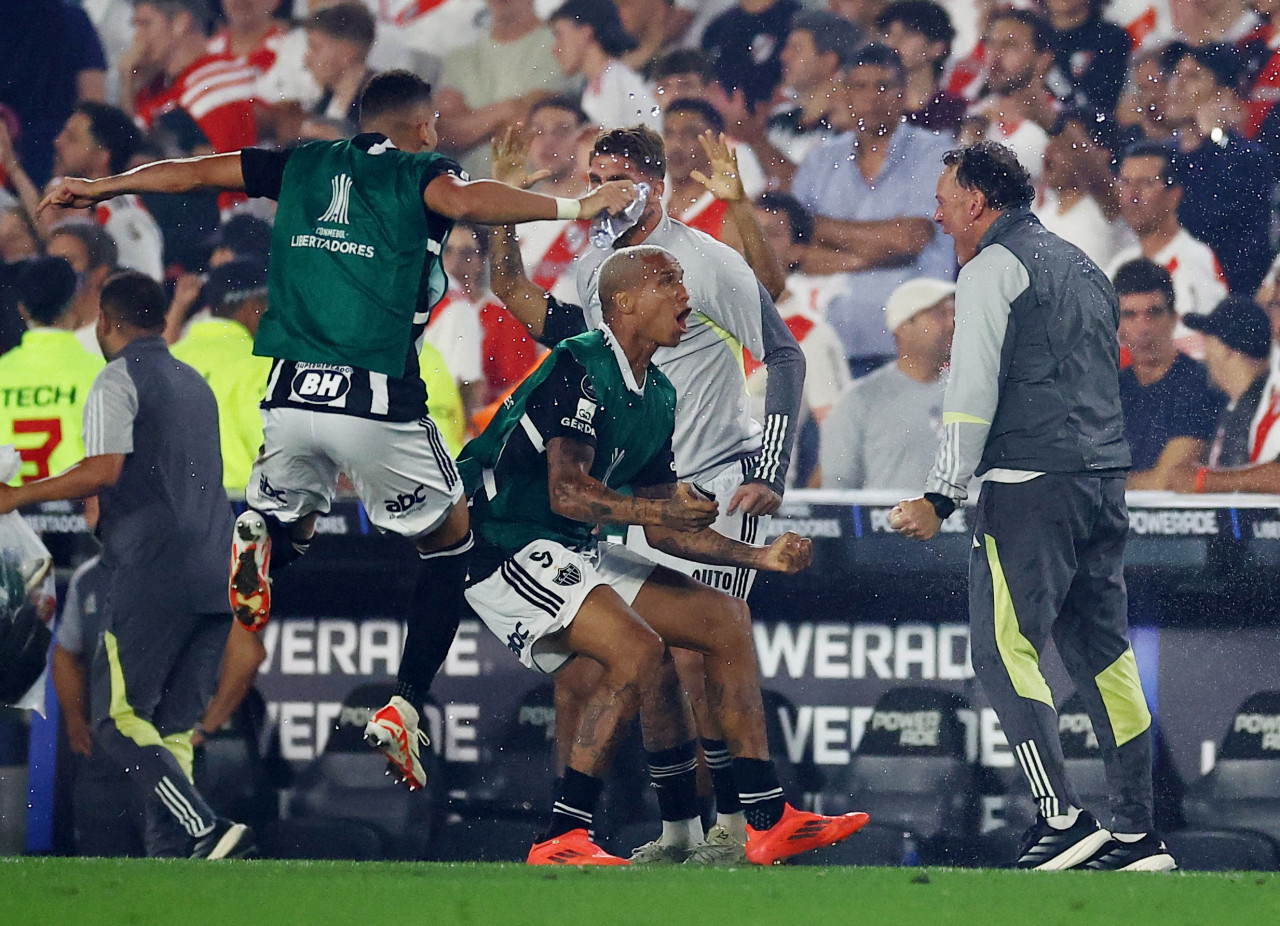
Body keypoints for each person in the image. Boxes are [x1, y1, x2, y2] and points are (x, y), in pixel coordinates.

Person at [39, 69, 635, 794]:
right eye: (433, 128)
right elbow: (467, 198)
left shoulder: (300, 161)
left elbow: (196, 173)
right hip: (375, 401)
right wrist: (580, 200)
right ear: (418, 127)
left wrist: (102, 188)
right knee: (450, 547)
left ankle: (267, 532)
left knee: (296, 521)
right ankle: (407, 702)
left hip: (289, 396)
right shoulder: (422, 170)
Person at [460, 244, 867, 865]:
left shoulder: (658, 394)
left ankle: (765, 817)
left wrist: (759, 559)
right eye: (668, 282)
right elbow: (567, 492)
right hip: (504, 539)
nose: (686, 294)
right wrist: (660, 511)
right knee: (640, 652)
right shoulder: (580, 362)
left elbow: (664, 530)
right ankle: (560, 836)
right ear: (623, 303)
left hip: (575, 543)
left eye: (683, 280)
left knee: (724, 619)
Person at [489, 124, 804, 863]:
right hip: (645, 498)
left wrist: (771, 469)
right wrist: (504, 206)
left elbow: (779, 339)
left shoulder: (698, 260)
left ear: (655, 187)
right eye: (593, 174)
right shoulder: (594, 267)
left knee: (698, 652)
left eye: (618, 177)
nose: (602, 191)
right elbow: (519, 299)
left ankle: (734, 825)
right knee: (635, 659)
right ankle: (678, 833)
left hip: (718, 484)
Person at [890, 141, 1176, 872]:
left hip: (1027, 486)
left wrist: (940, 494)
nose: (938, 210)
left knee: (1000, 650)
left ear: (980, 202)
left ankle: (1061, 818)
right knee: (1104, 659)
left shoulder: (990, 267)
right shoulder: (1083, 264)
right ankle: (1139, 837)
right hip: (1100, 481)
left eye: (946, 196)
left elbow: (971, 390)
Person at [0, 270, 250, 859]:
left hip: (152, 568)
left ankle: (204, 826)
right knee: (171, 728)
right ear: (162, 320)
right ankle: (179, 856)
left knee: (118, 720)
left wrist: (16, 495)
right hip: (217, 568)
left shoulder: (117, 378)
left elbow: (101, 472)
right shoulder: (194, 381)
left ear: (106, 324)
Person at [792, 44, 955, 373]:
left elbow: (911, 239)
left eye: (884, 86)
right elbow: (791, 250)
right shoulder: (820, 160)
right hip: (824, 351)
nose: (872, 97)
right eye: (860, 87)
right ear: (845, 93)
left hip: (910, 351)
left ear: (903, 92)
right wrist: (872, 251)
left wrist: (817, 227)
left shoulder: (937, 153)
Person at [51, 553, 147, 857]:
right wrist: (74, 719)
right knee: (98, 872)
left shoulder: (182, 566)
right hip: (103, 758)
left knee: (170, 877)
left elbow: (243, 650)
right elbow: (64, 653)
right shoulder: (87, 577)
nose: (90, 507)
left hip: (165, 756)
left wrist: (206, 724)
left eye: (98, 501)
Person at [821, 277, 954, 490]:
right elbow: (838, 487)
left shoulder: (978, 393)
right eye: (940, 314)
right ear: (903, 326)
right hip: (891, 522)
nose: (952, 324)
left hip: (971, 522)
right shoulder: (860, 400)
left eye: (955, 314)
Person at [1114, 259, 1224, 490]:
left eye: (1153, 313)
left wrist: (1104, 486)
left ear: (1174, 318)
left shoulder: (1198, 383)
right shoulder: (1113, 388)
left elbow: (1168, 480)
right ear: (1117, 325)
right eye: (1130, 315)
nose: (1143, 328)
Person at [1108, 141, 1228, 347]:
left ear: (1173, 196)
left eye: (1145, 183)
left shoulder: (1195, 259)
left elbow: (1206, 347)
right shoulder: (1119, 263)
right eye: (1126, 183)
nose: (1132, 196)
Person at [170, 259, 273, 492]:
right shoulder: (260, 362)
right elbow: (273, 446)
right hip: (237, 509)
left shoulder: (168, 359)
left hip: (169, 509)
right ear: (253, 307)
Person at [0, 256, 105, 485]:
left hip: (9, 514)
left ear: (22, 309)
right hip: (78, 515)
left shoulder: (2, 373)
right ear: (76, 301)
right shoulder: (101, 372)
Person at [1170, 296, 1280, 492]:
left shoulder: (1270, 401)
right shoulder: (1233, 405)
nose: (1205, 355)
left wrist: (1202, 480)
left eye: (1208, 341)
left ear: (1226, 349)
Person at [548, 0, 662, 133]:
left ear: (586, 32)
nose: (554, 49)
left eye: (559, 35)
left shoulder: (620, 83)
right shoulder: (598, 86)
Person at [875, 0, 965, 132]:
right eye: (889, 34)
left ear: (937, 47)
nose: (894, 42)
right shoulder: (876, 107)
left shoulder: (955, 109)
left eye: (909, 34)